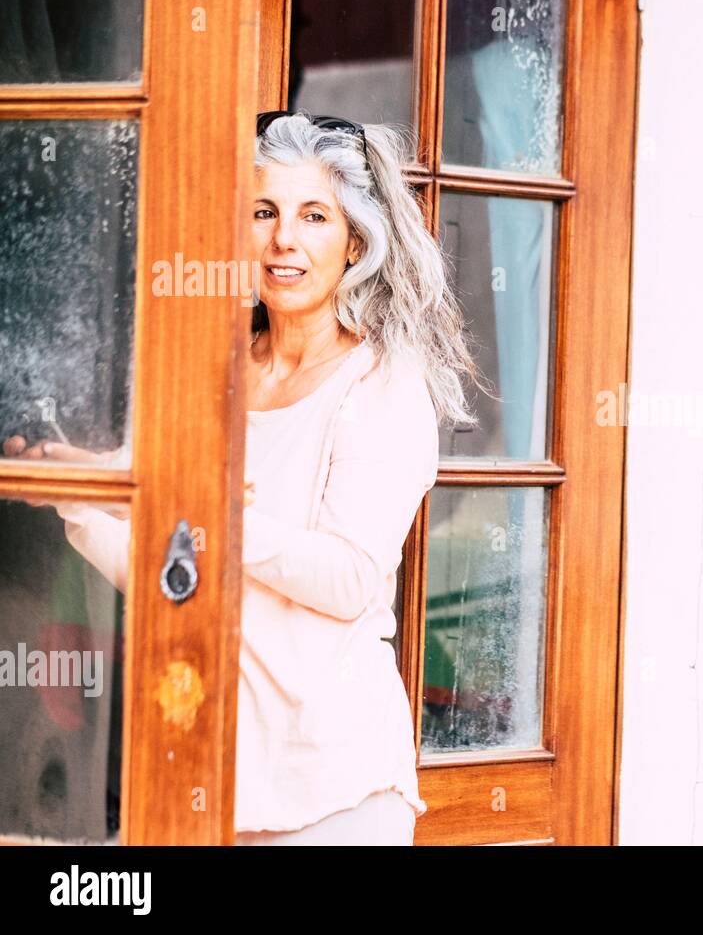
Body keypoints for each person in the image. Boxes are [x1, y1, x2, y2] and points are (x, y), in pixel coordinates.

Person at [2, 110, 489, 844]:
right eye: (263, 211)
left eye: (313, 215)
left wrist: (211, 513)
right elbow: (178, 571)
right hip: (200, 767)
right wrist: (84, 498)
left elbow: (348, 576)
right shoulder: (214, 369)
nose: (283, 239)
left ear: (355, 240)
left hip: (332, 789)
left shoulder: (381, 384)